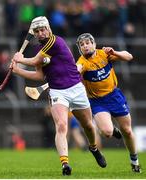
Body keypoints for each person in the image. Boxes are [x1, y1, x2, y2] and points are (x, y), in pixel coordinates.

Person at [11, 16, 106, 176]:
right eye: (37, 31)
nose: (41, 33)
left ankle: (93, 148)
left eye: (43, 30)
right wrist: (17, 70)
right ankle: (65, 164)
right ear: (34, 34)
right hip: (57, 91)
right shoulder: (39, 50)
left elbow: (34, 61)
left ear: (48, 29)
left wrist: (20, 59)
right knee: (61, 125)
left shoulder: (56, 41)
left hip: (76, 88)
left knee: (88, 126)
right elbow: (40, 75)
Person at [75, 33, 141, 173]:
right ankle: (113, 129)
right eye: (82, 45)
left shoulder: (104, 54)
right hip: (97, 101)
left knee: (128, 131)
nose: (85, 46)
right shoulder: (82, 62)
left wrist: (115, 52)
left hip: (114, 96)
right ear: (80, 49)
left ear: (94, 44)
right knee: (107, 132)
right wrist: (76, 71)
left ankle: (134, 161)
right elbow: (77, 69)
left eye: (88, 43)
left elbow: (129, 56)